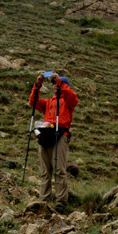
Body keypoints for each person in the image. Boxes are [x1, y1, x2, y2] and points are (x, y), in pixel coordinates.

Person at [29, 71, 79, 212]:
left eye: (58, 84)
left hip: (61, 135)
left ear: (64, 86)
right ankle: (43, 200)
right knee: (45, 171)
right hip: (46, 134)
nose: (55, 86)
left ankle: (61, 202)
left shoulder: (68, 101)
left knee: (59, 170)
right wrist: (38, 85)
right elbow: (33, 102)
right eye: (54, 84)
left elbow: (73, 98)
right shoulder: (49, 102)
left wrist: (60, 82)